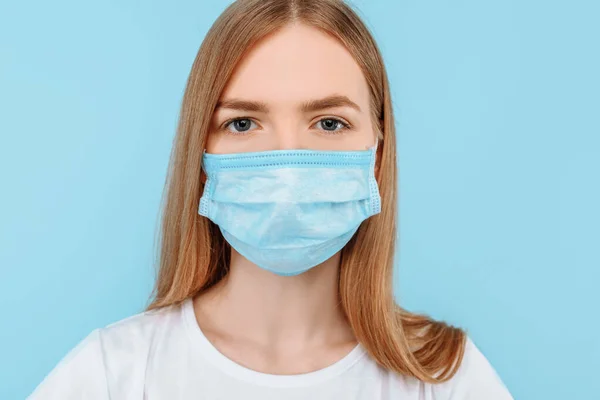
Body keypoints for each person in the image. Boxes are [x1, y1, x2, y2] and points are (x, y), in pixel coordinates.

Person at [28, 0, 514, 399]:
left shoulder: (444, 378)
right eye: (242, 123)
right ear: (201, 155)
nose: (286, 163)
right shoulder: (114, 375)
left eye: (329, 123)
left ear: (377, 156)